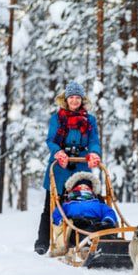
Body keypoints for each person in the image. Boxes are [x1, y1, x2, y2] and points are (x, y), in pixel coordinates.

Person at [34, 81, 102, 255]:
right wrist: (58, 152)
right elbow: (51, 140)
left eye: (77, 97)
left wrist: (94, 153)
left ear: (82, 99)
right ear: (66, 99)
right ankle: (43, 241)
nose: (74, 101)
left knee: (84, 202)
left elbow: (94, 140)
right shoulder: (57, 118)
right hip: (59, 167)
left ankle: (84, 238)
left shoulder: (90, 120)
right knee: (51, 205)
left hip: (80, 164)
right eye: (71, 97)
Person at [51, 172, 117, 257]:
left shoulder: (98, 203)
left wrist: (107, 220)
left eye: (86, 189)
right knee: (82, 231)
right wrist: (63, 221)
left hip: (97, 225)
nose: (83, 189)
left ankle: (115, 245)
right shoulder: (67, 204)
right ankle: (86, 249)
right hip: (77, 226)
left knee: (107, 230)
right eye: (80, 188)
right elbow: (57, 214)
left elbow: (109, 212)